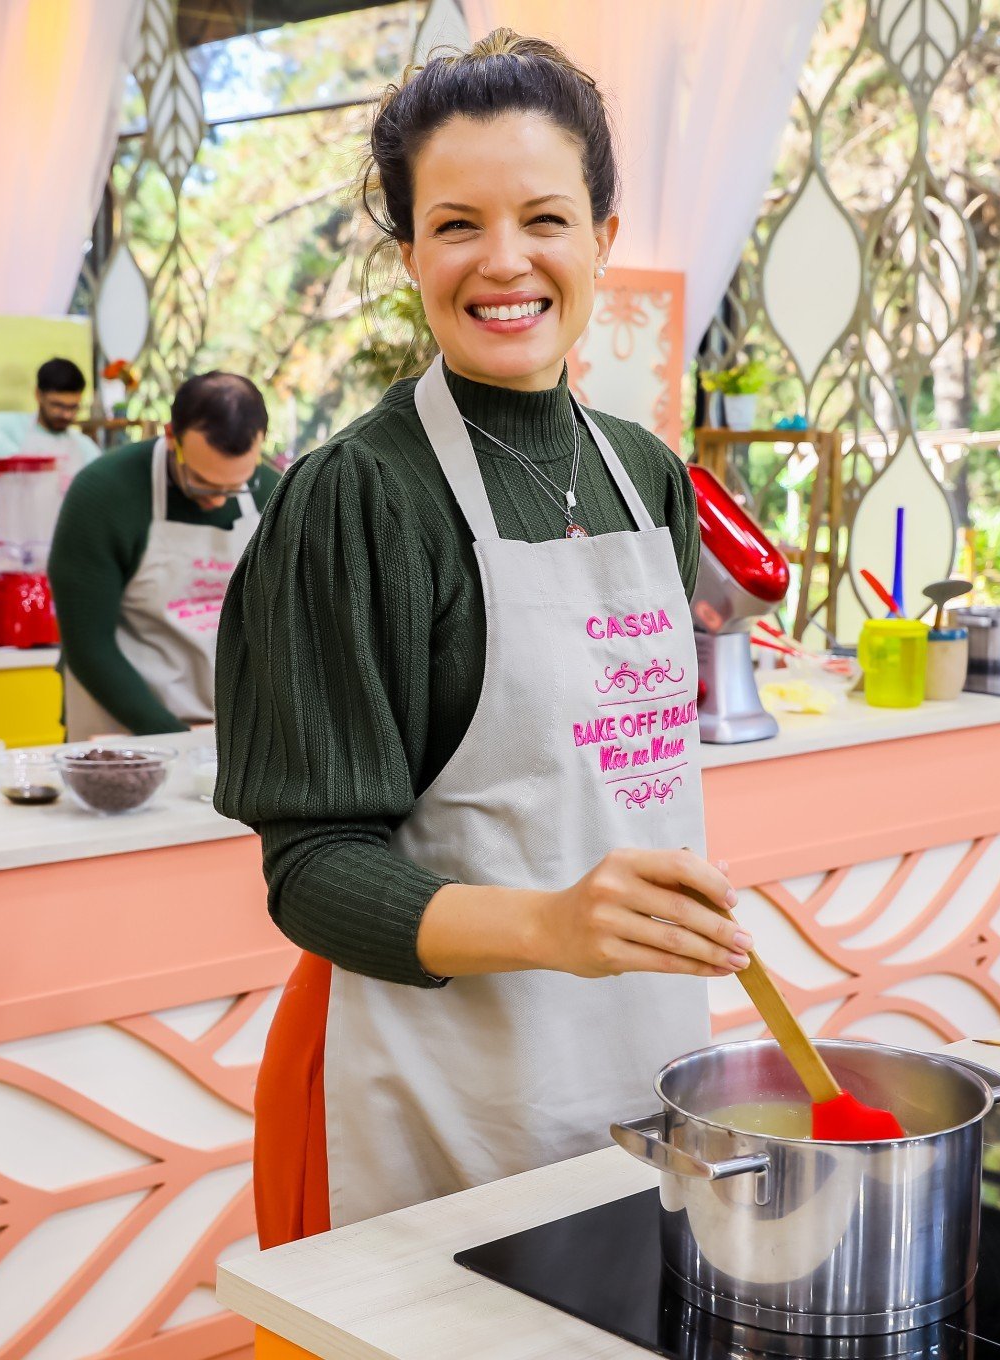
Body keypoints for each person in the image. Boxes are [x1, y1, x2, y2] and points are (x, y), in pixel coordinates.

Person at [215, 31, 750, 1246]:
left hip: (643, 1062)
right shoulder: (354, 498)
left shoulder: (650, 477)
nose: (504, 262)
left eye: (545, 218)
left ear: (605, 235)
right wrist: (554, 926)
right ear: (410, 252)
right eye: (457, 224)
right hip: (431, 1097)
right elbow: (313, 872)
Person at [49, 371, 279, 739]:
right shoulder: (104, 494)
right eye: (201, 482)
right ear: (172, 438)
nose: (217, 499)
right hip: (120, 721)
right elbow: (89, 645)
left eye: (235, 486)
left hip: (226, 726)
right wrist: (172, 737)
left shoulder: (273, 494)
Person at [0, 357, 99, 479]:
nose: (66, 414)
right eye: (58, 405)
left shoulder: (82, 445)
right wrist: (24, 464)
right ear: (38, 395)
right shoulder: (13, 426)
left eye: (73, 407)